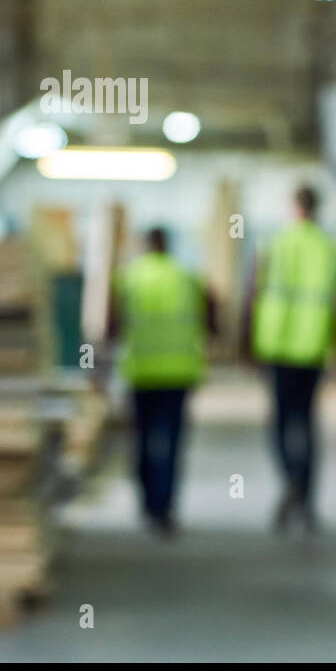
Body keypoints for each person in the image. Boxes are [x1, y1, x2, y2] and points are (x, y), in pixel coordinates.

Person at [247, 186, 336, 534]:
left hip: (277, 346)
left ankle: (289, 479)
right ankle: (306, 499)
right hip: (313, 347)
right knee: (306, 421)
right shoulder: (329, 248)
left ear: (294, 207)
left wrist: (249, 345)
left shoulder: (275, 243)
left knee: (280, 421)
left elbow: (254, 293)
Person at [112, 227, 214, 538]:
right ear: (168, 246)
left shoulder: (129, 277)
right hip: (178, 373)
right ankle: (165, 508)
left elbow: (110, 324)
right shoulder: (187, 276)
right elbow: (211, 319)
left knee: (142, 440)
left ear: (145, 246)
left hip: (141, 372)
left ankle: (146, 503)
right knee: (171, 441)